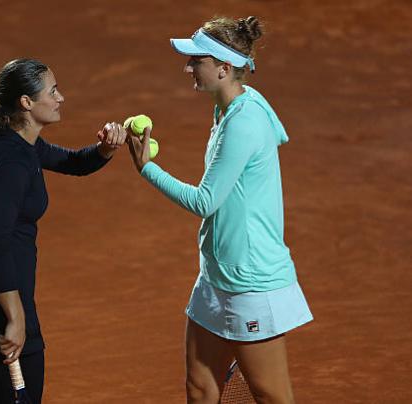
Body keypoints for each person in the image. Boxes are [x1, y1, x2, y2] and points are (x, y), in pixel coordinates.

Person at [127, 16, 313, 404]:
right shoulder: (227, 110)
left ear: (224, 68)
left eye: (197, 60)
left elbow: (205, 201)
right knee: (200, 387)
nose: (189, 67)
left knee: (272, 395)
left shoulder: (244, 122)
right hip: (215, 277)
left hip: (250, 283)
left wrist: (147, 167)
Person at [0, 58, 127, 404]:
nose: (61, 98)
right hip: (0, 303)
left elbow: (73, 162)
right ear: (26, 103)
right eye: (53, 91)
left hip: (0, 294)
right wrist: (15, 318)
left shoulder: (22, 145)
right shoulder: (11, 162)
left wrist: (106, 148)